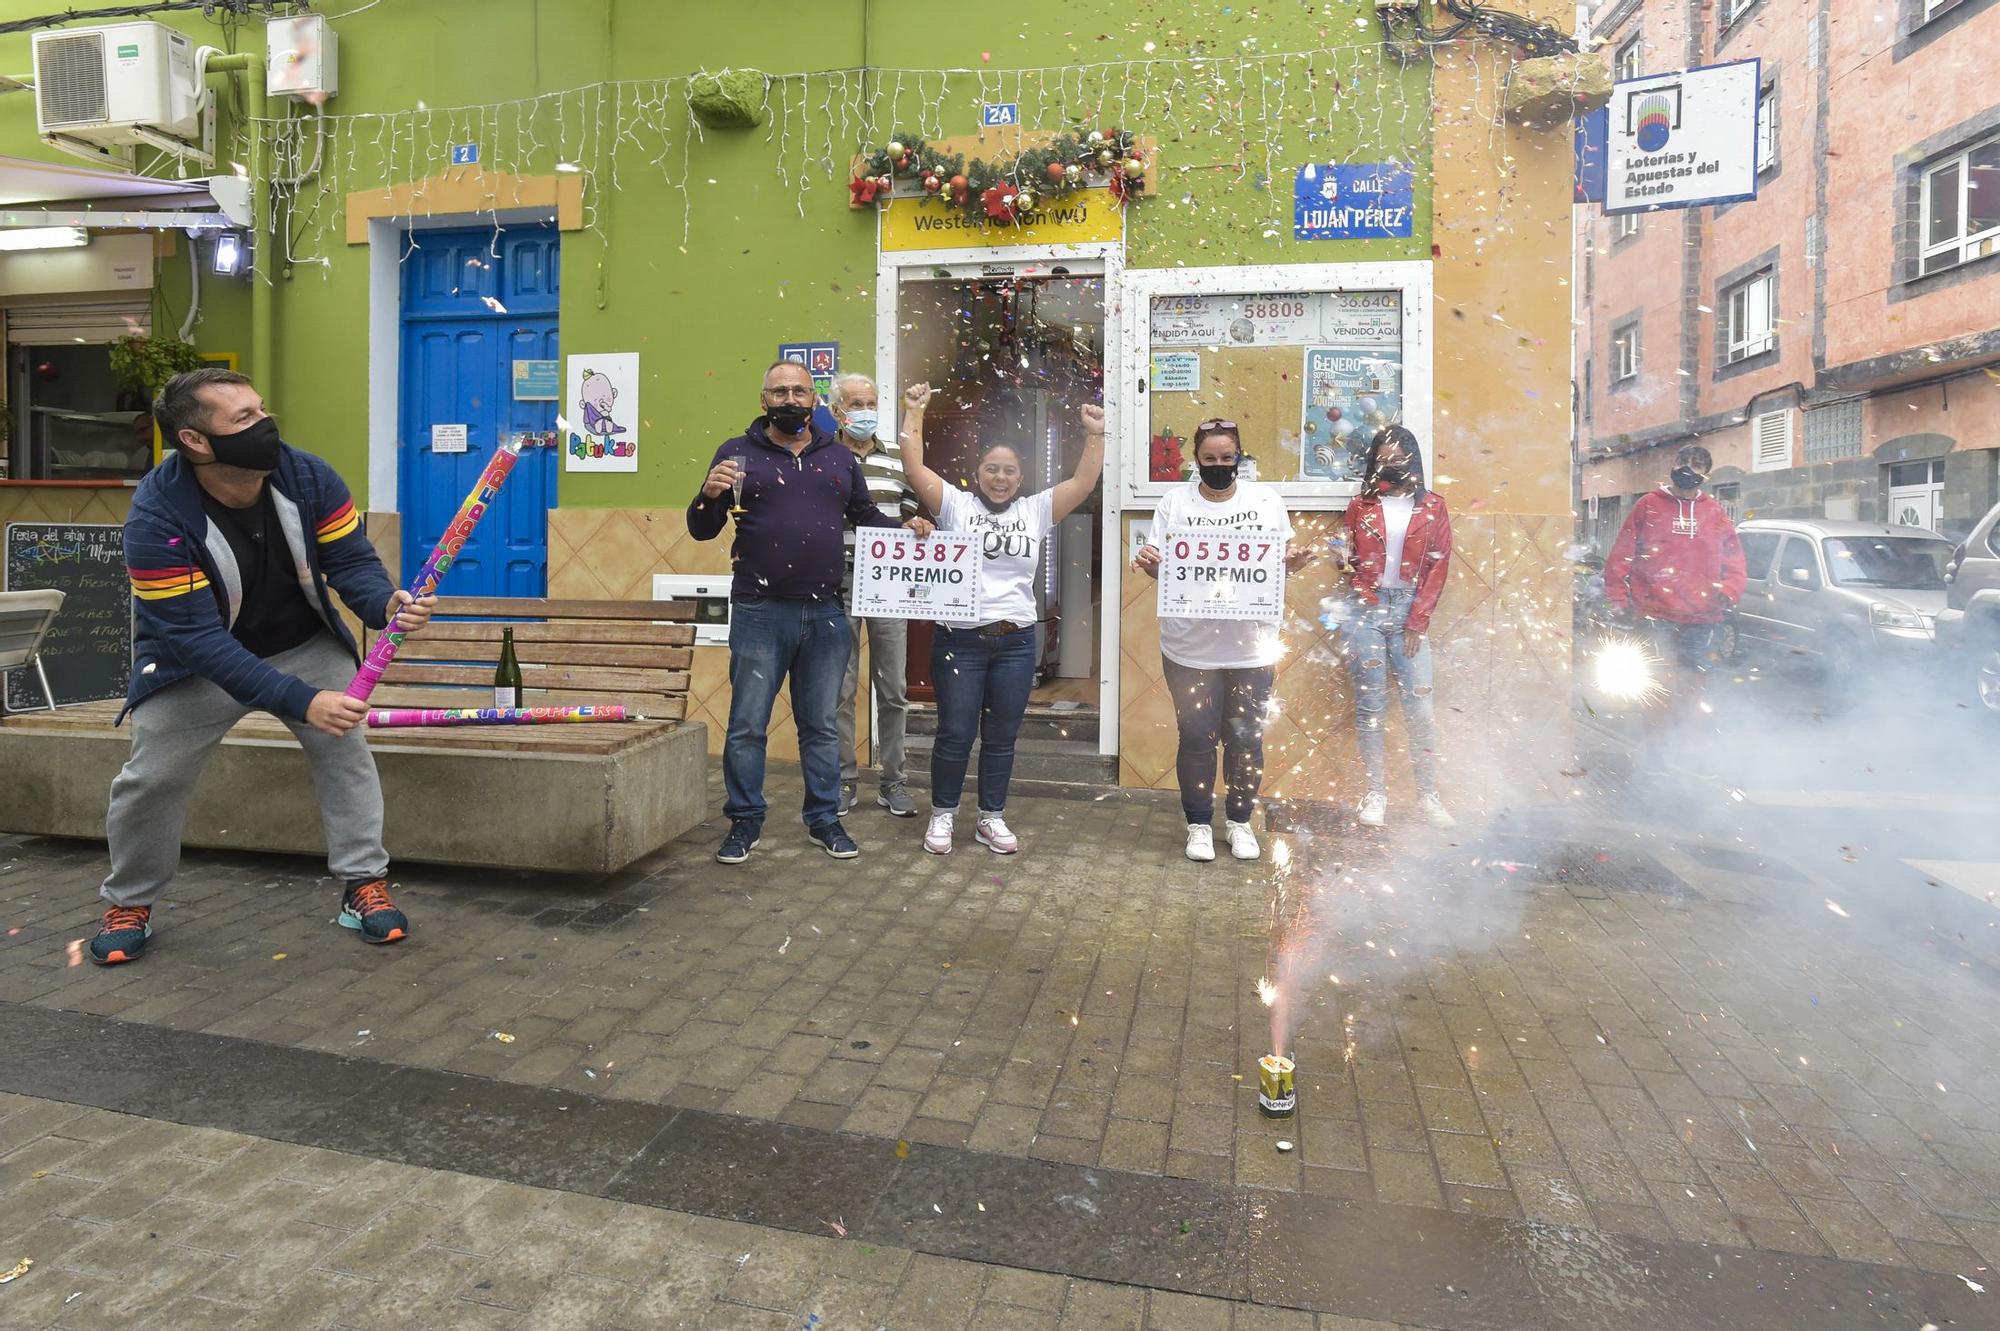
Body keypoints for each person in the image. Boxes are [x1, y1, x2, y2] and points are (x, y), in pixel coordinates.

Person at [89, 368, 435, 965]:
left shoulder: (308, 476)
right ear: (195, 441)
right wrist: (303, 701)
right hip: (196, 664)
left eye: (262, 409)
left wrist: (384, 603)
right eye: (243, 418)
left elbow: (349, 559)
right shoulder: (155, 517)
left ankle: (363, 885)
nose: (265, 425)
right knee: (151, 780)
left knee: (345, 752)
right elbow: (197, 639)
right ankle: (131, 902)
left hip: (302, 643)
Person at [688, 361, 928, 865]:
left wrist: (908, 532)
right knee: (748, 724)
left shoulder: (838, 457)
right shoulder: (735, 453)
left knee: (819, 724)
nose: (791, 400)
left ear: (814, 401)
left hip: (825, 610)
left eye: (800, 391)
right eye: (780, 392)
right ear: (763, 400)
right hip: (758, 609)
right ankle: (745, 822)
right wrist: (707, 496)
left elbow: (866, 516)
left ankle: (824, 820)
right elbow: (703, 529)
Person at [899, 383, 1105, 855]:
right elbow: (914, 467)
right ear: (978, 473)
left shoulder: (1035, 511)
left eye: (1009, 471)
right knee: (954, 732)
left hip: (1015, 645)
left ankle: (991, 816)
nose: (1000, 477)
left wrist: (1096, 435)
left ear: (1020, 477)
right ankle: (944, 815)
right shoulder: (955, 506)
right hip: (959, 643)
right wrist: (915, 412)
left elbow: (1083, 485)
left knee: (1001, 735)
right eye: (991, 468)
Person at [1134, 420, 1314, 863]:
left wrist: (1293, 562)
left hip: (1251, 647)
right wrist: (1150, 561)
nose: (1218, 466)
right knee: (1196, 737)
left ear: (1239, 459)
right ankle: (1197, 825)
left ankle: (1239, 822)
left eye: (1226, 459)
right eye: (1209, 459)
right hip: (1189, 647)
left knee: (1245, 739)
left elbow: (1278, 563)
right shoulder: (1173, 503)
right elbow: (1163, 568)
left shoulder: (1265, 501)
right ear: (1196, 460)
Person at [1337, 425, 1455, 829]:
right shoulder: (1360, 506)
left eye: (1400, 457)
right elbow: (1348, 555)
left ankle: (1428, 795)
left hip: (1408, 610)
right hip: (1366, 613)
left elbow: (1439, 566)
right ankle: (1376, 793)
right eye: (1385, 457)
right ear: (1374, 460)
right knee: (1370, 707)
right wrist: (1347, 568)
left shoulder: (1434, 507)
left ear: (1413, 459)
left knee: (1419, 707)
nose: (1392, 463)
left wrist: (1418, 621)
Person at [1603, 443, 1746, 773]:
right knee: (1657, 684)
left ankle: (1686, 751)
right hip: (1655, 617)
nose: (1689, 470)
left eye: (1698, 466)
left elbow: (1735, 560)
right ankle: (1655, 752)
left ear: (1705, 475)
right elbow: (1622, 555)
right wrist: (1618, 599)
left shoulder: (1715, 513)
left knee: (1692, 686)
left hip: (1702, 618)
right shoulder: (1648, 506)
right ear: (1674, 464)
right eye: (1685, 463)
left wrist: (1728, 591)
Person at [828, 373, 921, 819]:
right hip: (836, 583)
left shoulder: (899, 461)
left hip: (889, 585)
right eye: (856, 403)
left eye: (871, 402)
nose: (865, 410)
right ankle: (843, 781)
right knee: (840, 690)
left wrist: (919, 526)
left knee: (894, 689)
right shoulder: (822, 457)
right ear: (836, 412)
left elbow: (909, 517)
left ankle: (893, 782)